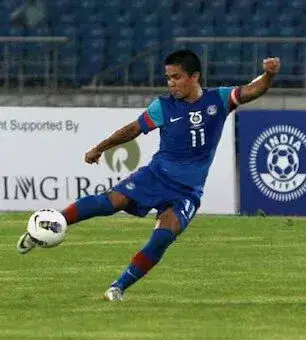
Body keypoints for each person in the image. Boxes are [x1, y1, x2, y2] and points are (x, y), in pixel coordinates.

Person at [16, 49, 281, 301]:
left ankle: (118, 287)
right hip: (155, 176)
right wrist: (100, 148)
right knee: (111, 202)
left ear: (194, 77)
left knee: (164, 236)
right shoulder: (163, 107)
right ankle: (46, 225)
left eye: (176, 77)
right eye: (168, 78)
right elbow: (132, 130)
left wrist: (268, 75)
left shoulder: (218, 100)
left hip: (187, 191)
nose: (171, 84)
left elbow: (252, 90)